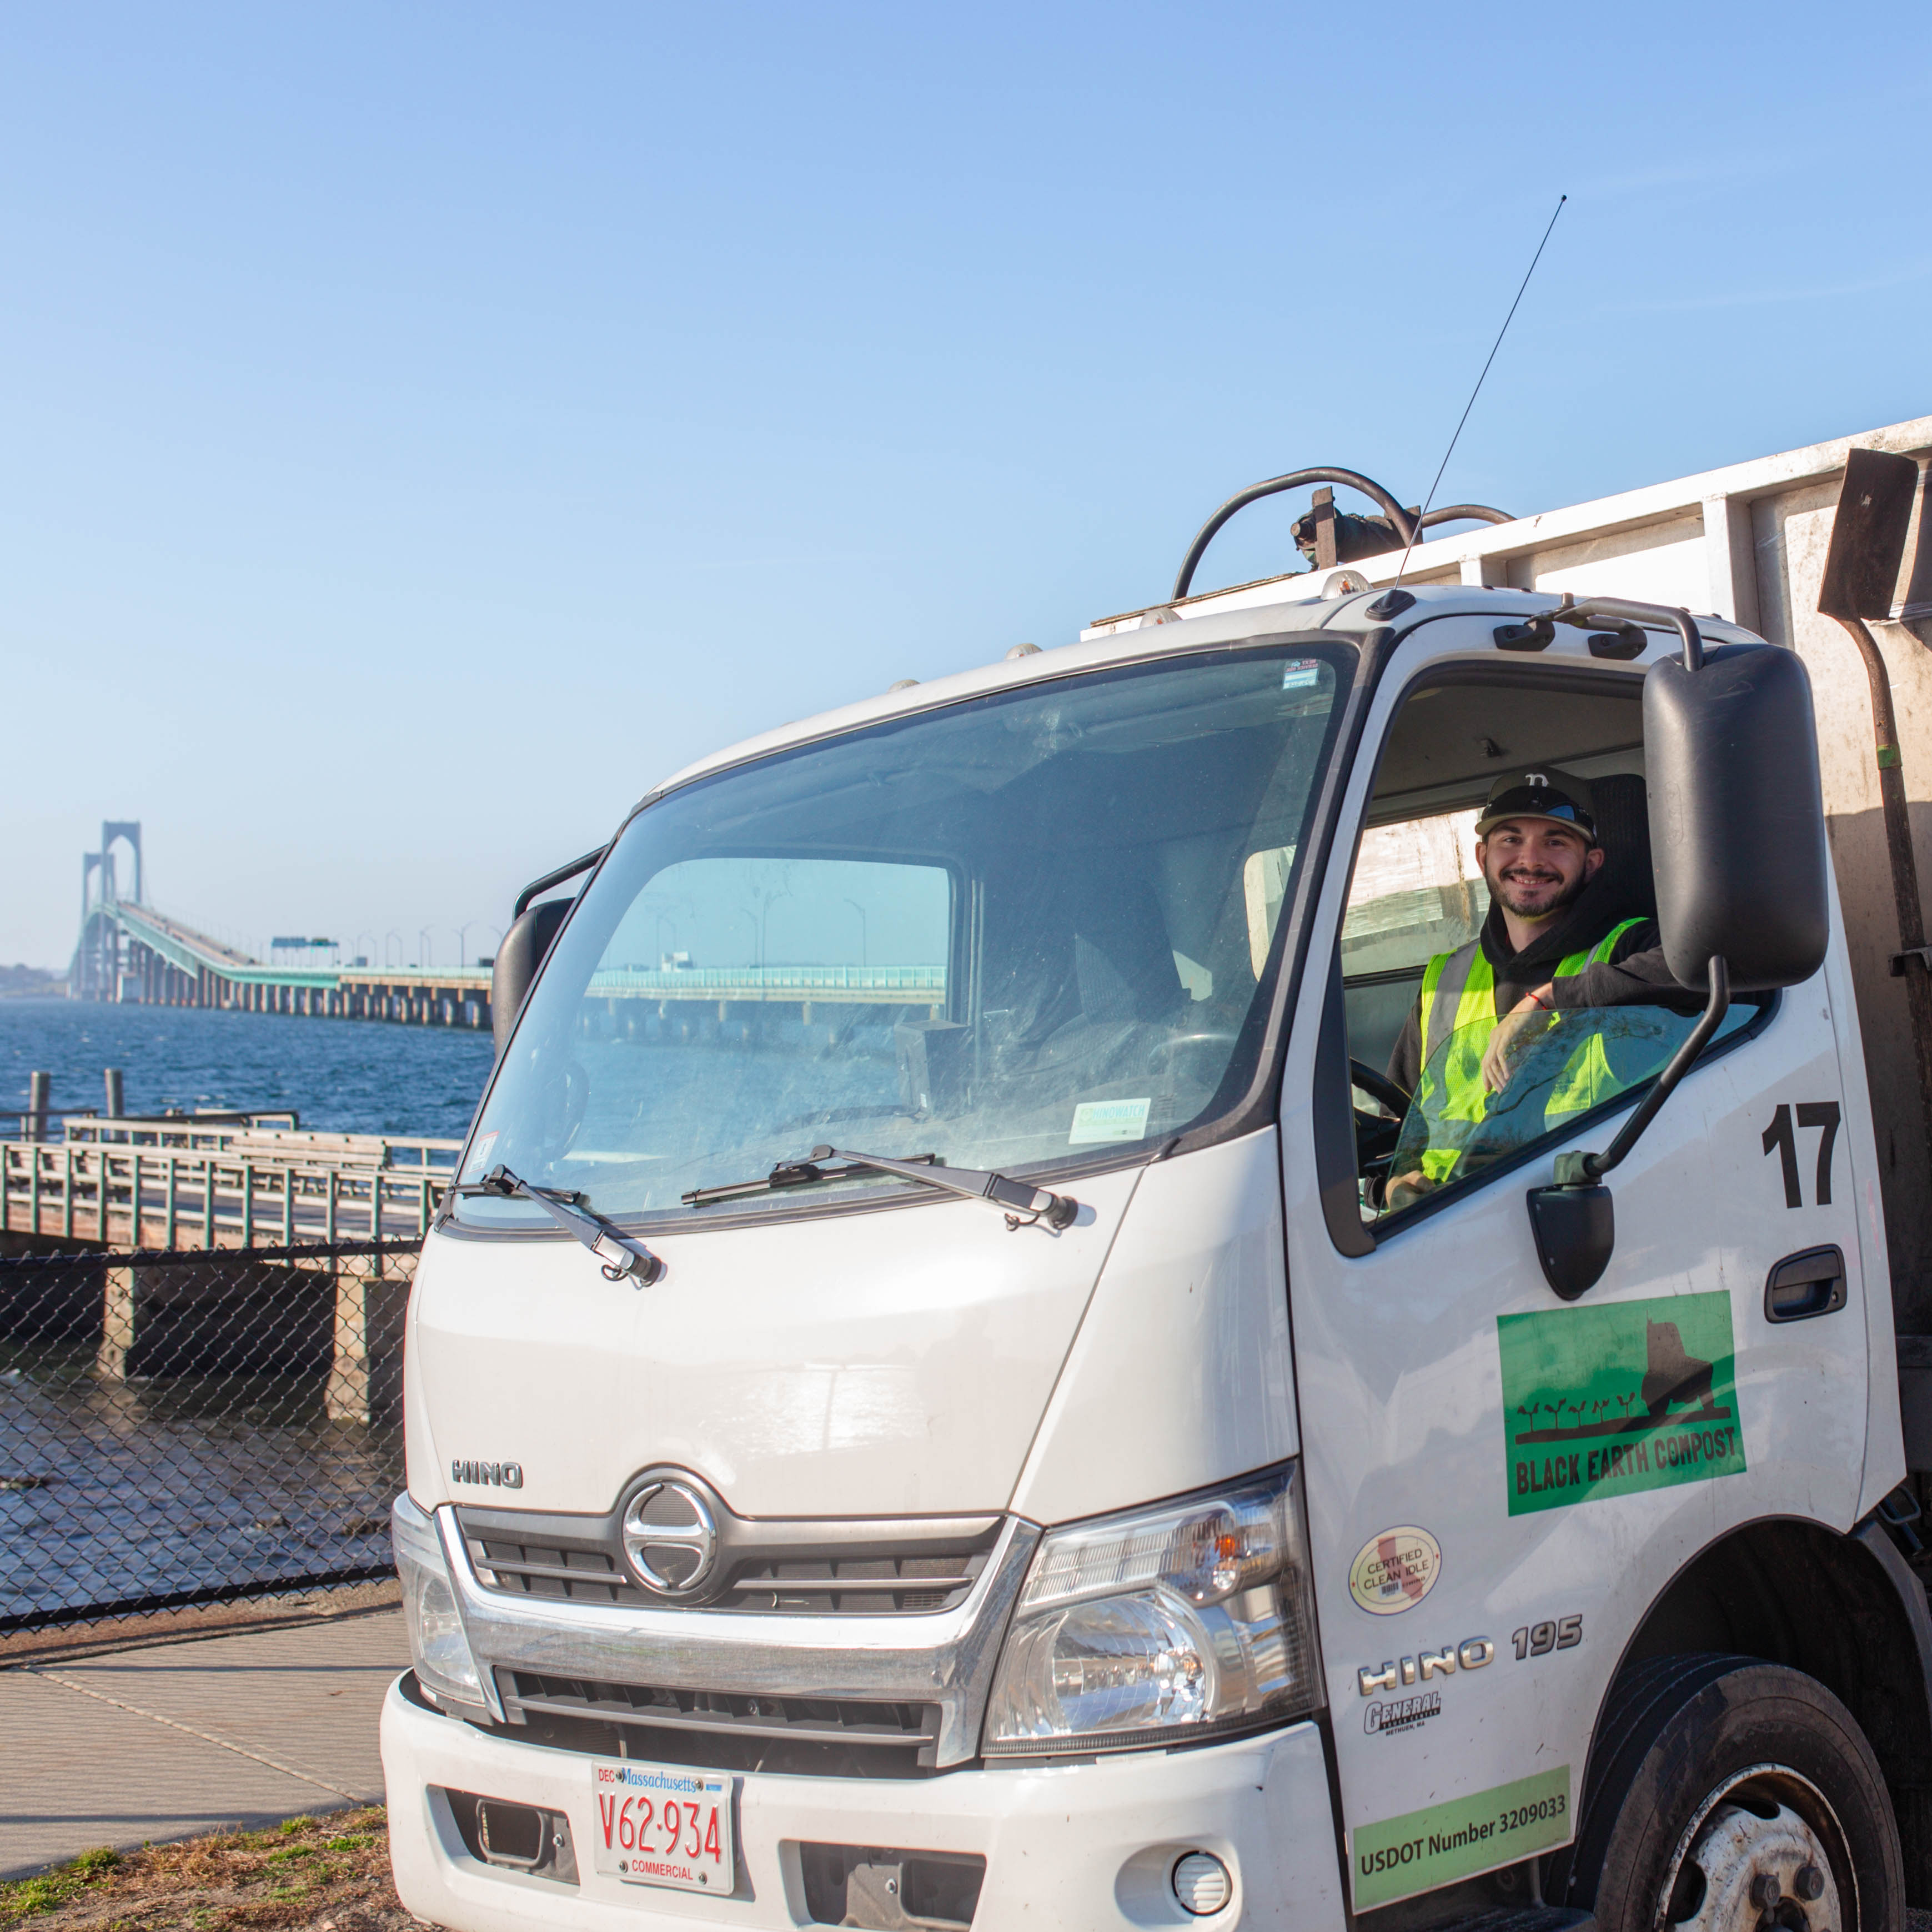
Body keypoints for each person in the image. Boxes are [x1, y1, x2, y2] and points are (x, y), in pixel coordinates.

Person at [1383, 767, 1684, 1198]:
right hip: (1437, 1224)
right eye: (1510, 839)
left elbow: (1707, 966)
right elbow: (1399, 1122)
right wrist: (1392, 1186)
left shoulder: (1627, 946)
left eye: (1556, 841)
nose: (1530, 859)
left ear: (1592, 862)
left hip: (1574, 1214)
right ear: (1481, 855)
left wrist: (1550, 1000)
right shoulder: (1445, 979)